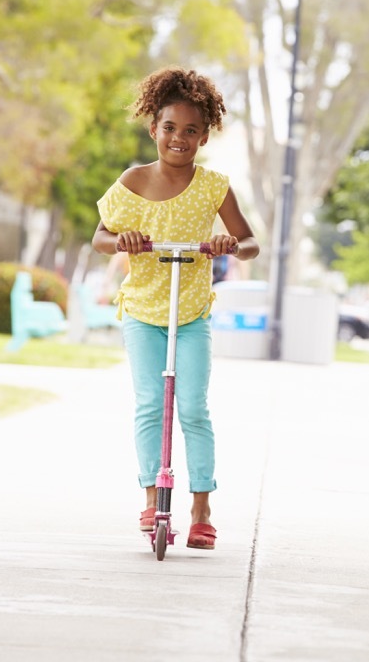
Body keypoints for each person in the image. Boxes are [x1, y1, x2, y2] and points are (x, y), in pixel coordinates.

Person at [92, 66, 260, 550]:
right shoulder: (133, 181)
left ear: (204, 136)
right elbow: (100, 238)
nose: (179, 139)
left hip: (191, 314)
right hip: (144, 311)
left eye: (190, 131)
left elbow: (249, 243)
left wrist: (229, 244)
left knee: (192, 409)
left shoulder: (214, 186)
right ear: (153, 130)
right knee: (149, 404)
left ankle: (202, 509)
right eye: (169, 128)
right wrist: (120, 238)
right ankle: (151, 496)